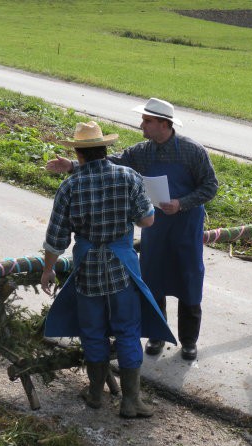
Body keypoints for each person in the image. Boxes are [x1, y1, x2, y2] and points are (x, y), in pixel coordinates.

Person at [47, 98, 218, 361]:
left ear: (164, 124)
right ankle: (157, 335)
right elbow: (110, 162)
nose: (142, 125)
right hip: (155, 228)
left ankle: (188, 341)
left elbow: (210, 187)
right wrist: (71, 165)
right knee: (154, 281)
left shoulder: (192, 151)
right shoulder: (142, 151)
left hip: (186, 228)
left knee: (189, 282)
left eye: (147, 121)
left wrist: (181, 203)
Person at [41, 121, 176, 418]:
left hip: (87, 267)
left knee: (93, 333)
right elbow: (146, 221)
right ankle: (131, 401)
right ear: (105, 149)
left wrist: (48, 270)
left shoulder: (70, 186)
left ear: (78, 154)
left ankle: (95, 394)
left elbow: (56, 239)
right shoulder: (127, 177)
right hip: (122, 266)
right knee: (128, 330)